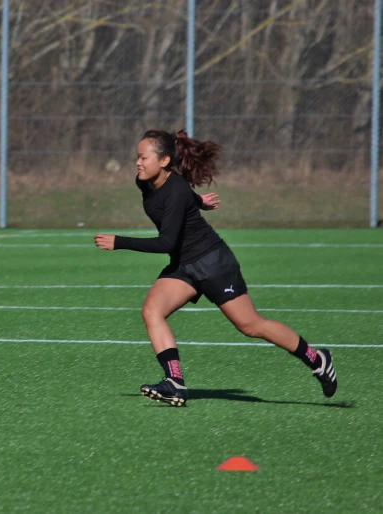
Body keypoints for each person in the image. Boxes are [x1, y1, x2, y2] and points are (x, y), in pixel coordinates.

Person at [94, 129, 337, 407]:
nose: (138, 163)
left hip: (213, 262)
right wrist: (200, 202)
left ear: (163, 161)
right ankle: (174, 382)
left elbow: (165, 242)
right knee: (152, 311)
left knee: (251, 325)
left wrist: (119, 242)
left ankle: (318, 359)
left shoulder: (176, 190)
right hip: (184, 266)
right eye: (137, 157)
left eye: (143, 157)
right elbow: (184, 204)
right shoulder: (145, 182)